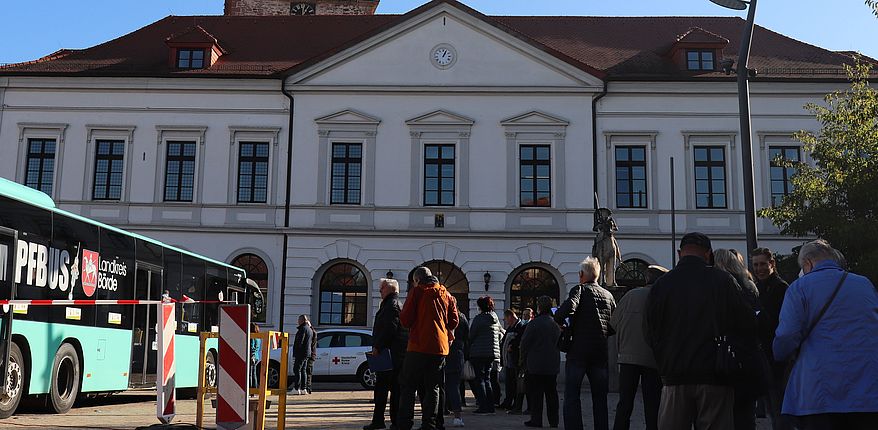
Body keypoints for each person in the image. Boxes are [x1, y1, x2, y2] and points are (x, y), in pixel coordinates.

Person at [645, 232, 755, 430]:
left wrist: (664, 359)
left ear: (680, 254)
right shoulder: (723, 281)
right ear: (708, 254)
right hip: (715, 375)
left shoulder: (662, 284)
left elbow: (650, 330)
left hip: (674, 374)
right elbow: (745, 323)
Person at [773, 239, 878, 430]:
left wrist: (778, 355)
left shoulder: (799, 288)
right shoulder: (864, 284)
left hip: (819, 389)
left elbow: (787, 335)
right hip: (866, 388)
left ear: (808, 263)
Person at [555, 256, 616, 430]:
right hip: (600, 351)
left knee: (572, 395)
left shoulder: (579, 290)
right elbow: (614, 324)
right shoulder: (608, 294)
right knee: (600, 397)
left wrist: (561, 322)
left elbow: (565, 311)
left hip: (578, 351)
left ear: (582, 274)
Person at [397, 267, 459, 430]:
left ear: (417, 280)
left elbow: (405, 320)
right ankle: (430, 424)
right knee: (434, 387)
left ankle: (404, 423)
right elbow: (454, 322)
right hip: (439, 348)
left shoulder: (417, 292)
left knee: (408, 386)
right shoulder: (446, 294)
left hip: (417, 345)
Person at [608, 265, 666, 430]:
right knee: (652, 404)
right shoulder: (661, 297)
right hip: (652, 359)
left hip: (627, 357)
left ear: (647, 278)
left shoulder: (630, 295)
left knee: (625, 402)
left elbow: (613, 324)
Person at [714, 248, 764, 430]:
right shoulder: (750, 286)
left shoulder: (721, 287)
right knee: (745, 414)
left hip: (726, 359)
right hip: (747, 358)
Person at [750, 247, 791, 430]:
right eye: (755, 264)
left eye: (762, 264)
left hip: (776, 356)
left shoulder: (780, 287)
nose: (759, 268)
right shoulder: (758, 287)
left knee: (778, 406)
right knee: (771, 406)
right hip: (763, 354)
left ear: (772, 264)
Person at [365, 278, 409, 430]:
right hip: (393, 354)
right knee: (390, 389)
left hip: (389, 354)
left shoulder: (391, 305)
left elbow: (390, 328)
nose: (380, 291)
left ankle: (385, 421)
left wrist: (378, 346)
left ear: (390, 289)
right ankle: (388, 421)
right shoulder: (393, 304)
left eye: (382, 288)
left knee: (385, 389)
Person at [519, 296, 561, 428]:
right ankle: (554, 420)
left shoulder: (534, 323)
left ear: (539, 307)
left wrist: (522, 361)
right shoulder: (555, 324)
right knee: (551, 394)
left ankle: (536, 420)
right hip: (552, 364)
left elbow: (524, 343)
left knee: (536, 394)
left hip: (536, 364)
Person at [467, 296, 502, 414]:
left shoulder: (479, 319)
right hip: (492, 353)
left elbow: (471, 335)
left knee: (480, 380)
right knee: (487, 379)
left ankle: (482, 406)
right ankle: (490, 406)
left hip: (479, 353)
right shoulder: (495, 318)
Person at [445, 299, 469, 428]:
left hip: (445, 352)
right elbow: (467, 337)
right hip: (458, 353)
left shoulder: (445, 316)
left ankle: (441, 411)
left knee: (441, 386)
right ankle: (457, 416)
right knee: (454, 386)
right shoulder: (462, 317)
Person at [499, 309, 524, 411]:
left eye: (506, 319)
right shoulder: (510, 328)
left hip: (515, 360)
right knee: (509, 383)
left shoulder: (520, 327)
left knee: (515, 384)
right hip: (508, 361)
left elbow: (520, 341)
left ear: (510, 317)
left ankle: (515, 404)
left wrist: (512, 346)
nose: (506, 321)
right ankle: (508, 401)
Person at [292, 314, 314, 395]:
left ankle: (296, 388)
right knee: (303, 370)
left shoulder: (302, 329)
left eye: (298, 320)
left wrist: (296, 352)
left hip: (301, 352)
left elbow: (299, 342)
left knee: (297, 369)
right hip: (307, 352)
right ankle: (303, 388)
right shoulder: (309, 329)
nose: (297, 322)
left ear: (301, 320)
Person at [306, 322, 317, 394]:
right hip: (312, 354)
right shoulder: (314, 333)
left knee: (308, 371)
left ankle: (308, 387)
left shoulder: (311, 333)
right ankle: (308, 387)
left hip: (310, 355)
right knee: (308, 372)